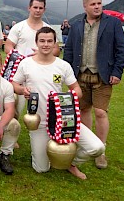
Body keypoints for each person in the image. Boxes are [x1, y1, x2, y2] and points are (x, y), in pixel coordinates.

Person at [12, 27, 105, 180]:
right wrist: (23, 90)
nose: (46, 44)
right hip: (39, 123)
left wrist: (67, 98)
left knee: (97, 147)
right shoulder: (26, 63)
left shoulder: (63, 66)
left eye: (50, 41)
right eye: (42, 41)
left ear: (55, 43)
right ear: (36, 42)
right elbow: (14, 84)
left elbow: (77, 90)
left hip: (64, 119)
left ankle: (70, 163)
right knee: (41, 169)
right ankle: (52, 153)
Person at [64, 0, 124, 169]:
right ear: (85, 6)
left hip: (103, 76)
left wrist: (117, 71)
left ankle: (101, 150)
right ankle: (88, 145)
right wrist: (68, 75)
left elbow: (121, 49)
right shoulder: (76, 26)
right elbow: (68, 51)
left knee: (100, 112)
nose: (97, 6)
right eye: (93, 4)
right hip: (80, 76)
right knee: (83, 111)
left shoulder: (113, 23)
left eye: (99, 3)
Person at [5, 0, 60, 122]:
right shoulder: (19, 27)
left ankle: (40, 130)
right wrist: (19, 57)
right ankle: (12, 135)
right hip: (18, 72)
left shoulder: (48, 29)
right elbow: (8, 46)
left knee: (40, 105)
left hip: (40, 73)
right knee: (14, 105)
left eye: (41, 8)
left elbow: (56, 50)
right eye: (35, 7)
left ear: (44, 10)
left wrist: (42, 53)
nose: (38, 10)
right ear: (29, 8)